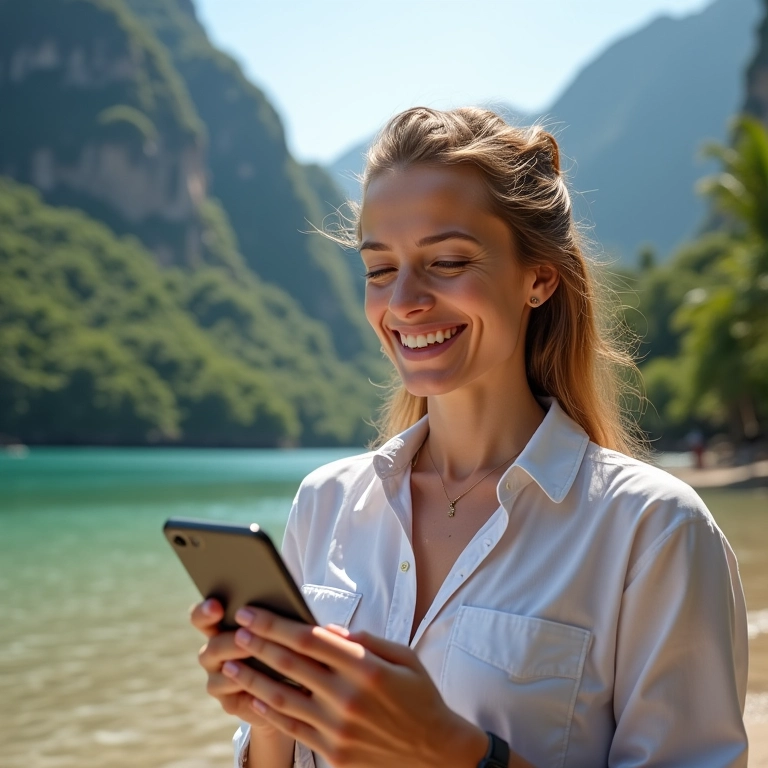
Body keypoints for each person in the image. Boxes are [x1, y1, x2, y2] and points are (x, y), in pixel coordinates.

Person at [190, 107, 749, 768]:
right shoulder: (325, 504)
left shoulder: (653, 531)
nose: (403, 301)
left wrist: (456, 754)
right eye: (377, 270)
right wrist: (271, 705)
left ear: (538, 278)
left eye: (447, 261)